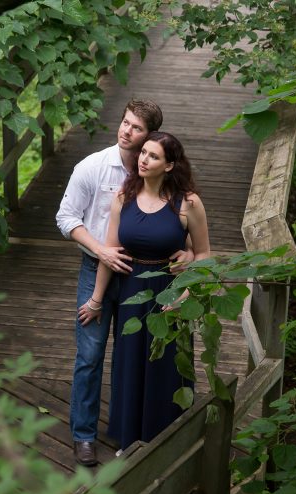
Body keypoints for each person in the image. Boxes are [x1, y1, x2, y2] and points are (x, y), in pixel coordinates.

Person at [57, 100, 192, 466]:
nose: (126, 131)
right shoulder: (94, 167)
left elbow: (180, 226)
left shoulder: (159, 169)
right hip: (97, 270)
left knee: (137, 354)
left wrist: (190, 254)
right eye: (125, 123)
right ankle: (83, 436)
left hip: (144, 276)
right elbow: (65, 217)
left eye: (136, 128)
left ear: (152, 138)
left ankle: (131, 427)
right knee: (90, 353)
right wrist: (101, 250)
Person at [78, 131, 210, 451]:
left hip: (170, 292)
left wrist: (185, 297)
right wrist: (96, 300)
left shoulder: (187, 202)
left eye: (153, 156)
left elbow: (205, 255)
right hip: (132, 291)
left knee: (168, 367)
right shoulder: (124, 195)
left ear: (169, 166)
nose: (143, 159)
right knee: (130, 363)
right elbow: (111, 252)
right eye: (143, 153)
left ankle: (171, 440)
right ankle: (130, 438)